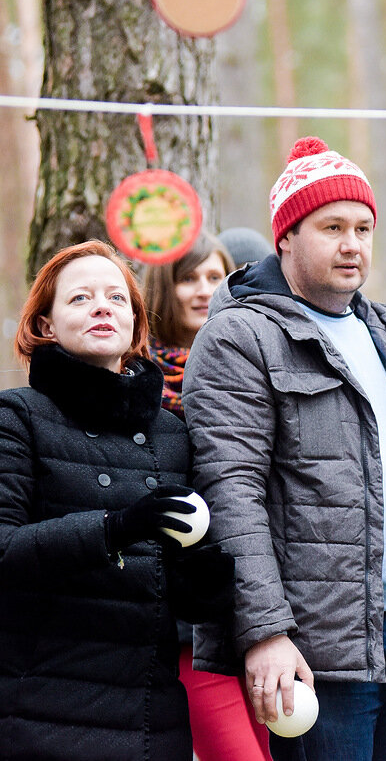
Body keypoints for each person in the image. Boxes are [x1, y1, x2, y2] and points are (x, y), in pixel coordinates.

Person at [183, 136, 386, 761]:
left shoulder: (381, 330)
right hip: (315, 652)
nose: (353, 244)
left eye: (364, 227)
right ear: (287, 235)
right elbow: (230, 494)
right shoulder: (239, 336)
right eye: (332, 227)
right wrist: (265, 632)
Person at [0, 240, 232, 760]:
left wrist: (203, 565)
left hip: (152, 724)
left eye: (116, 298)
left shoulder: (173, 434)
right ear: (45, 326)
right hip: (38, 717)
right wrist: (118, 526)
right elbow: (4, 553)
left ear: (134, 325)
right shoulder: (14, 418)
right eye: (80, 298)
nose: (102, 306)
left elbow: (194, 608)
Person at [143, 232, 273, 761]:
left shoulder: (251, 369)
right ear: (163, 290)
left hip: (261, 608)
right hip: (188, 621)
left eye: (214, 277)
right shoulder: (139, 384)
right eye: (187, 278)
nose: (202, 290)